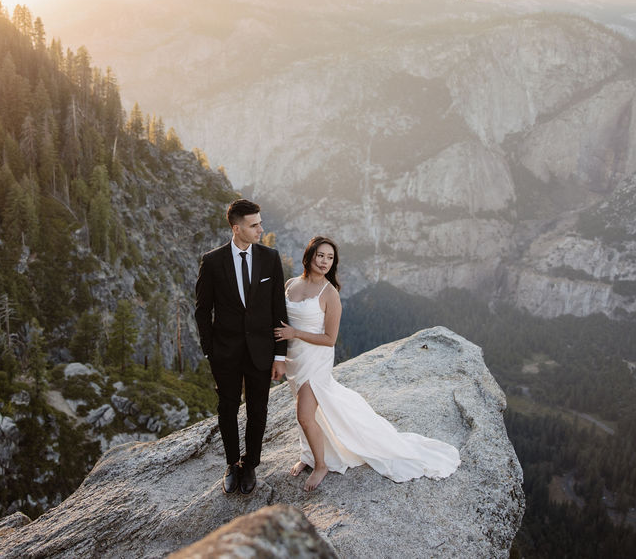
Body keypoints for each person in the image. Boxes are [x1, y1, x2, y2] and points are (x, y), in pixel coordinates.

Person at [274, 236, 460, 491]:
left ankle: (321, 466)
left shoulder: (329, 294)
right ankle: (309, 454)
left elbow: (329, 339)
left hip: (316, 360)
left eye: (330, 258)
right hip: (295, 358)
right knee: (309, 412)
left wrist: (295, 334)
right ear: (309, 255)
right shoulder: (290, 284)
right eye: (321, 255)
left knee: (305, 415)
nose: (325, 262)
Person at [194, 198, 289, 494]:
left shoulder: (270, 258)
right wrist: (210, 350)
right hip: (226, 352)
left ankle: (251, 466)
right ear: (237, 228)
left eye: (260, 222)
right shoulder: (212, 261)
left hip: (261, 351)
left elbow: (278, 309)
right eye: (254, 224)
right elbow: (202, 310)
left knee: (258, 410)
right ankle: (232, 463)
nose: (261, 228)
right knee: (228, 408)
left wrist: (279, 355)